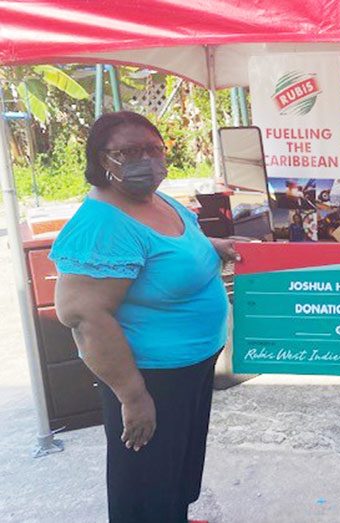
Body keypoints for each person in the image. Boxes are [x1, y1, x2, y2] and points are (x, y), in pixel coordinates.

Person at [50, 111, 240, 523]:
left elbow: (163, 250)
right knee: (146, 479)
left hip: (192, 365)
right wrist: (133, 398)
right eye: (130, 151)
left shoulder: (157, 199)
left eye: (154, 149)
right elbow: (83, 315)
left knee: (176, 465)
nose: (147, 160)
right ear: (103, 160)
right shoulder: (102, 223)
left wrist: (212, 245)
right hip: (151, 376)